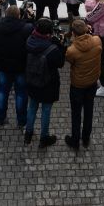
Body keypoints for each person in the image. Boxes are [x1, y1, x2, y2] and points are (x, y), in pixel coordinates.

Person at [25, 18, 65, 148]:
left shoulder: (29, 41)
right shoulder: (52, 48)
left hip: (32, 80)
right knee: (46, 110)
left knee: (32, 107)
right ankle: (44, 137)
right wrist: (60, 45)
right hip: (48, 83)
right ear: (48, 33)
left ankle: (28, 133)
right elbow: (60, 63)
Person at [0, 5, 34, 126]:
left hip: (3, 67)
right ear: (18, 15)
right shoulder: (25, 28)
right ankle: (21, 120)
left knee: (1, 92)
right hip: (20, 67)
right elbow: (34, 30)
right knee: (21, 93)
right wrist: (31, 18)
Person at [65, 19, 103, 150]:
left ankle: (75, 140)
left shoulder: (72, 50)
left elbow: (70, 61)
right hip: (92, 83)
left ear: (74, 33)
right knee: (89, 111)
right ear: (86, 29)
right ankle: (86, 138)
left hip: (77, 85)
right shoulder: (97, 40)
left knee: (76, 113)